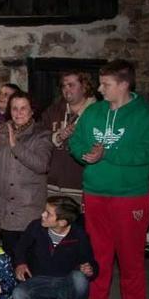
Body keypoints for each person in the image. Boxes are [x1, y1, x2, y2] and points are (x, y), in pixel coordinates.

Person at [69, 60, 149, 299]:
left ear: (123, 84)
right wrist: (84, 153)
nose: (99, 88)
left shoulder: (144, 115)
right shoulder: (94, 111)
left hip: (129, 197)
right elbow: (76, 141)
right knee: (98, 251)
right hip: (95, 193)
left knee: (130, 255)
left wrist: (107, 154)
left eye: (106, 84)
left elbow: (147, 153)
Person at [12, 196, 98, 299]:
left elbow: (91, 262)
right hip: (40, 279)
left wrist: (90, 269)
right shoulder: (36, 227)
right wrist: (21, 263)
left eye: (48, 213)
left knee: (80, 280)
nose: (43, 215)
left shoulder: (79, 236)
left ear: (62, 222)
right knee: (18, 295)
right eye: (45, 211)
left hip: (65, 281)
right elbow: (20, 248)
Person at [0, 91, 53, 257]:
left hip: (27, 207)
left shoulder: (42, 134)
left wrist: (16, 146)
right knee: (5, 257)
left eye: (23, 108)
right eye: (14, 109)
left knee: (26, 259)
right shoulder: (1, 130)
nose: (18, 113)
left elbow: (42, 165)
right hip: (2, 207)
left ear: (32, 111)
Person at [40, 71, 96, 202]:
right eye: (64, 86)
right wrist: (57, 137)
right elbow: (39, 136)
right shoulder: (53, 111)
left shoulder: (97, 112)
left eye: (71, 85)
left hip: (80, 186)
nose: (66, 89)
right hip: (52, 185)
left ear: (85, 86)